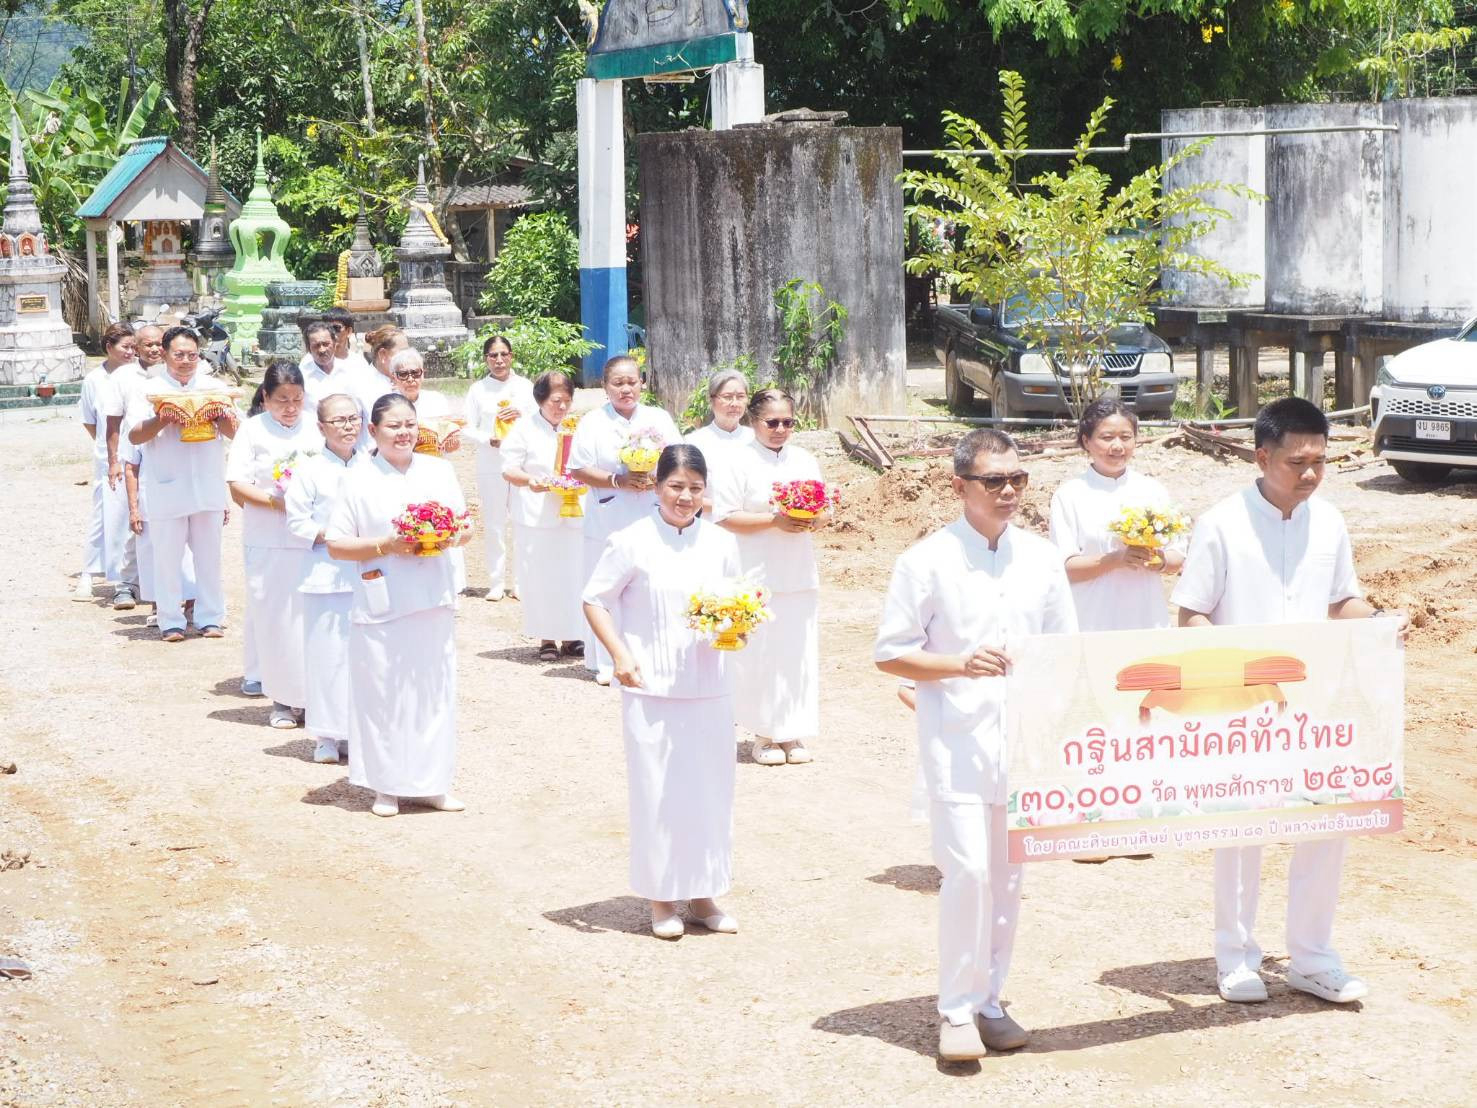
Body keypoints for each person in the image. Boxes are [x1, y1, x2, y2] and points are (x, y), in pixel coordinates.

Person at [1171, 396, 1408, 1007]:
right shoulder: (1220, 522)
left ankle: (1312, 957)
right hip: (1240, 708)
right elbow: (1191, 613)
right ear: (1262, 455)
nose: (1309, 474)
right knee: (1242, 828)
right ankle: (1237, 957)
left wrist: (1378, 621)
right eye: (1296, 462)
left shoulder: (1328, 522)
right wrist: (1232, 673)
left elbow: (1340, 601)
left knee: (1327, 822)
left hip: (1315, 706)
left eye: (1319, 463)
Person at [874, 428, 1077, 1062]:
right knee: (965, 874)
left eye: (1018, 479)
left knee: (1009, 878)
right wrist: (959, 665)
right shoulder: (926, 561)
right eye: (994, 481)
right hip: (956, 742)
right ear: (960, 485)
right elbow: (890, 653)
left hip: (1021, 745)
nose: (1010, 491)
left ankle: (991, 998)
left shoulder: (1043, 559)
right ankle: (956, 1010)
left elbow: (1064, 648)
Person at [582, 444, 743, 940]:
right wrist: (620, 655)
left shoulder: (721, 543)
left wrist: (737, 625)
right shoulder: (631, 540)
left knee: (710, 793)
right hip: (651, 688)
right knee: (658, 793)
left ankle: (704, 895)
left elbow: (738, 603)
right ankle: (661, 899)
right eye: (676, 486)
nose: (685, 497)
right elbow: (595, 599)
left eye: (695, 488)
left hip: (710, 685)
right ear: (656, 487)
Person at [325, 394, 471, 818]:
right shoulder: (357, 478)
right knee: (384, 692)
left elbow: (464, 528)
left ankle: (432, 782)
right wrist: (384, 545)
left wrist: (447, 536)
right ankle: (386, 786)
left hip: (433, 596)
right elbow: (336, 544)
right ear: (373, 431)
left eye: (410, 424)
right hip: (382, 599)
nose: (403, 433)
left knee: (432, 692)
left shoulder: (439, 470)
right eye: (393, 425)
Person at [713, 388, 826, 766]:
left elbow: (823, 511)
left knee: (797, 654)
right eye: (772, 422)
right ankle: (762, 734)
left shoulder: (806, 459)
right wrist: (774, 520)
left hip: (797, 570)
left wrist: (813, 516)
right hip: (754, 571)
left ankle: (792, 731)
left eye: (788, 422)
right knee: (760, 656)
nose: (780, 429)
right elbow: (725, 516)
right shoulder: (736, 461)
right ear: (753, 421)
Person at [567, 355, 681, 685]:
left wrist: (657, 478)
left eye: (632, 381)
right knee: (606, 587)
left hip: (651, 509)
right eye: (617, 383)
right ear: (605, 387)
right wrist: (618, 480)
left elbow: (677, 458)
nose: (626, 388)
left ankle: (653, 654)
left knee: (652, 583)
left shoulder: (658, 417)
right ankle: (606, 661)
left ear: (642, 383)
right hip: (609, 514)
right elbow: (578, 468)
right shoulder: (592, 422)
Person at [125, 327, 239, 642]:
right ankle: (170, 620)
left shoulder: (215, 387)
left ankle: (210, 617)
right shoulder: (149, 390)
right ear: (164, 354)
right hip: (166, 486)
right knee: (166, 557)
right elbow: (134, 435)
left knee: (209, 557)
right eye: (179, 354)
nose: (186, 360)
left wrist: (219, 416)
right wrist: (163, 417)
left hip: (207, 483)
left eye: (191, 354)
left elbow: (236, 433)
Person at [226, 363, 322, 728]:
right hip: (268, 538)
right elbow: (237, 485)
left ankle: (313, 697)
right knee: (275, 619)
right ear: (265, 397)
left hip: (310, 538)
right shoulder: (252, 430)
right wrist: (277, 501)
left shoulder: (316, 426)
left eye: (297, 399)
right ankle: (281, 698)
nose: (290, 407)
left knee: (310, 619)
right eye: (282, 400)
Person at [1050, 396, 1184, 632]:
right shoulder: (1069, 495)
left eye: (1125, 437)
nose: (1117, 446)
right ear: (1086, 441)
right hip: (1092, 620)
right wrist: (1116, 560)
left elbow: (1177, 557)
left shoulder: (1152, 490)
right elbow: (1065, 568)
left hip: (1147, 618)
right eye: (1106, 437)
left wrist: (1160, 561)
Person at [285, 394, 367, 764]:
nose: (348, 426)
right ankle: (326, 736)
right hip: (324, 573)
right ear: (321, 428)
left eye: (353, 418)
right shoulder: (309, 470)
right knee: (326, 656)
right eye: (339, 421)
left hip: (366, 574)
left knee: (361, 657)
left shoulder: (372, 465)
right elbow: (296, 523)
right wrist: (332, 535)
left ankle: (355, 731)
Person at [501, 370, 585, 660]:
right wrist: (529, 481)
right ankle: (546, 637)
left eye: (566, 401)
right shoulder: (523, 429)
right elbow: (509, 468)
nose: (561, 407)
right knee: (539, 577)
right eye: (555, 401)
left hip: (573, 513)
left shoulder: (578, 428)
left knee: (573, 575)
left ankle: (574, 635)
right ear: (540, 400)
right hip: (536, 516)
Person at [464, 334, 535, 601]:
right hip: (490, 462)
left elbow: (540, 420)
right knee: (494, 524)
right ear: (486, 359)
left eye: (503, 354)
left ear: (511, 356)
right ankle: (496, 582)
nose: (499, 360)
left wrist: (521, 413)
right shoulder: (477, 390)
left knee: (521, 521)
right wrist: (487, 439)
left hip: (520, 463)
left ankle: (520, 581)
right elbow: (467, 426)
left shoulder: (527, 387)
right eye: (493, 355)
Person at [75, 322, 137, 603]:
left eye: (133, 346)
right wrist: (107, 446)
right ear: (109, 348)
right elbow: (91, 421)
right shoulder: (94, 380)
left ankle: (131, 576)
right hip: (108, 455)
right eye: (125, 347)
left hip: (135, 452)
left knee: (132, 515)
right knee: (105, 515)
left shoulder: (139, 375)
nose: (130, 352)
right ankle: (91, 572)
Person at [683, 368, 753, 511]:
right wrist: (726, 512)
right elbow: (686, 489)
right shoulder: (694, 442)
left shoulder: (756, 439)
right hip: (711, 522)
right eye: (727, 397)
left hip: (753, 523)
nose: (734, 403)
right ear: (711, 400)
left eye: (740, 396)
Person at [301, 321, 353, 410]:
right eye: (316, 346)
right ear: (308, 349)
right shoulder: (301, 376)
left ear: (335, 343)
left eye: (326, 344)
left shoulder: (351, 372)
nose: (322, 350)